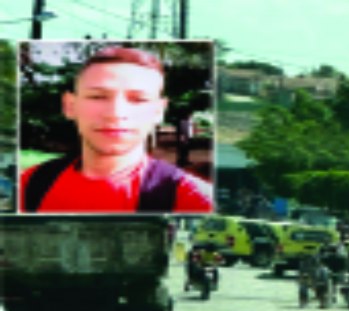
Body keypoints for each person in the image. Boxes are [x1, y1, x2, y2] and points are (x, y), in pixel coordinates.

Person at [20, 46, 213, 213]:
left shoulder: (194, 199)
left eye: (138, 99)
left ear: (158, 111)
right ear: (70, 106)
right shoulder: (31, 183)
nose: (115, 113)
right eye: (97, 97)